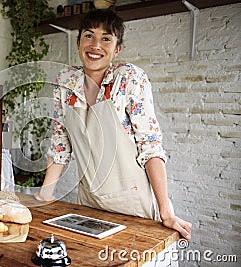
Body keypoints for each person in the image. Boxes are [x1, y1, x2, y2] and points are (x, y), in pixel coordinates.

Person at [34, 8, 192, 241]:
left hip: (134, 206)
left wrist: (166, 212)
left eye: (106, 38)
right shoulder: (65, 81)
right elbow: (61, 141)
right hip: (89, 203)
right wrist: (44, 196)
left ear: (117, 49)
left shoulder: (129, 79)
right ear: (78, 42)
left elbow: (150, 147)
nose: (95, 45)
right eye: (89, 35)